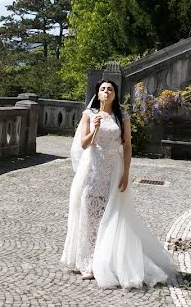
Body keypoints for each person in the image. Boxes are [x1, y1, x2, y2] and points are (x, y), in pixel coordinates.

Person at [60, 79, 177, 289]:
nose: (106, 92)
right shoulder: (89, 115)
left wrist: (126, 174)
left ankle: (105, 261)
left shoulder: (122, 117)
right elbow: (84, 144)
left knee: (111, 215)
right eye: (103, 89)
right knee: (89, 214)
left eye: (110, 89)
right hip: (92, 171)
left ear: (115, 94)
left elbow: (128, 146)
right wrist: (94, 129)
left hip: (113, 170)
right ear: (97, 93)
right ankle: (88, 262)